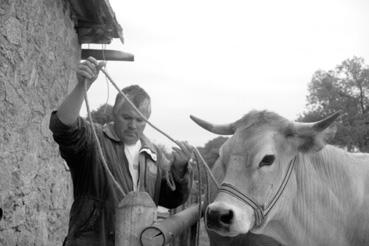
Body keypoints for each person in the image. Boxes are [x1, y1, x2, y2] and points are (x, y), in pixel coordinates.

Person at [49, 57, 193, 246]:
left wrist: (179, 170)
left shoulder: (154, 154)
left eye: (140, 120)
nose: (133, 125)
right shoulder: (94, 139)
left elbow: (172, 199)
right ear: (114, 113)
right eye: (126, 117)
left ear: (148, 120)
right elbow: (63, 128)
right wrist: (82, 86)